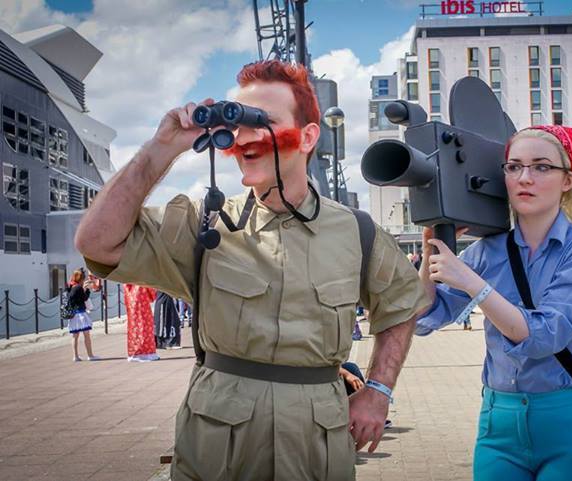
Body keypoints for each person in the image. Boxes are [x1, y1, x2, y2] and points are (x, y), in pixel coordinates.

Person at [75, 59, 429, 481]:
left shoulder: (358, 231)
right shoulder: (201, 225)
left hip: (315, 446)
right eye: (239, 123)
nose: (245, 139)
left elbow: (401, 305)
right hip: (218, 446)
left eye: (264, 122)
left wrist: (378, 390)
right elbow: (96, 242)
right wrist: (162, 147)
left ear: (308, 136)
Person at [416, 125, 572, 481]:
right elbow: (423, 319)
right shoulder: (485, 252)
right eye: (513, 166)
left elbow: (545, 336)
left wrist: (471, 282)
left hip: (568, 421)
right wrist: (430, 250)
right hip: (498, 423)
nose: (525, 177)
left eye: (541, 167)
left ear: (567, 180)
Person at [66, 269, 100, 362]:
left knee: (75, 336)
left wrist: (84, 289)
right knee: (86, 336)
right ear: (80, 278)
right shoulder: (78, 288)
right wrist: (87, 289)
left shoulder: (70, 286)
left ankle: (75, 356)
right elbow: (84, 298)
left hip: (73, 315)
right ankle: (90, 355)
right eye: (83, 278)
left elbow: (74, 298)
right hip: (80, 314)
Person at [124, 284, 159, 361]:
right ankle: (146, 352)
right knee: (145, 326)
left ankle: (134, 351)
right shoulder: (141, 276)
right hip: (142, 298)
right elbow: (149, 287)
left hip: (131, 299)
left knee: (133, 327)